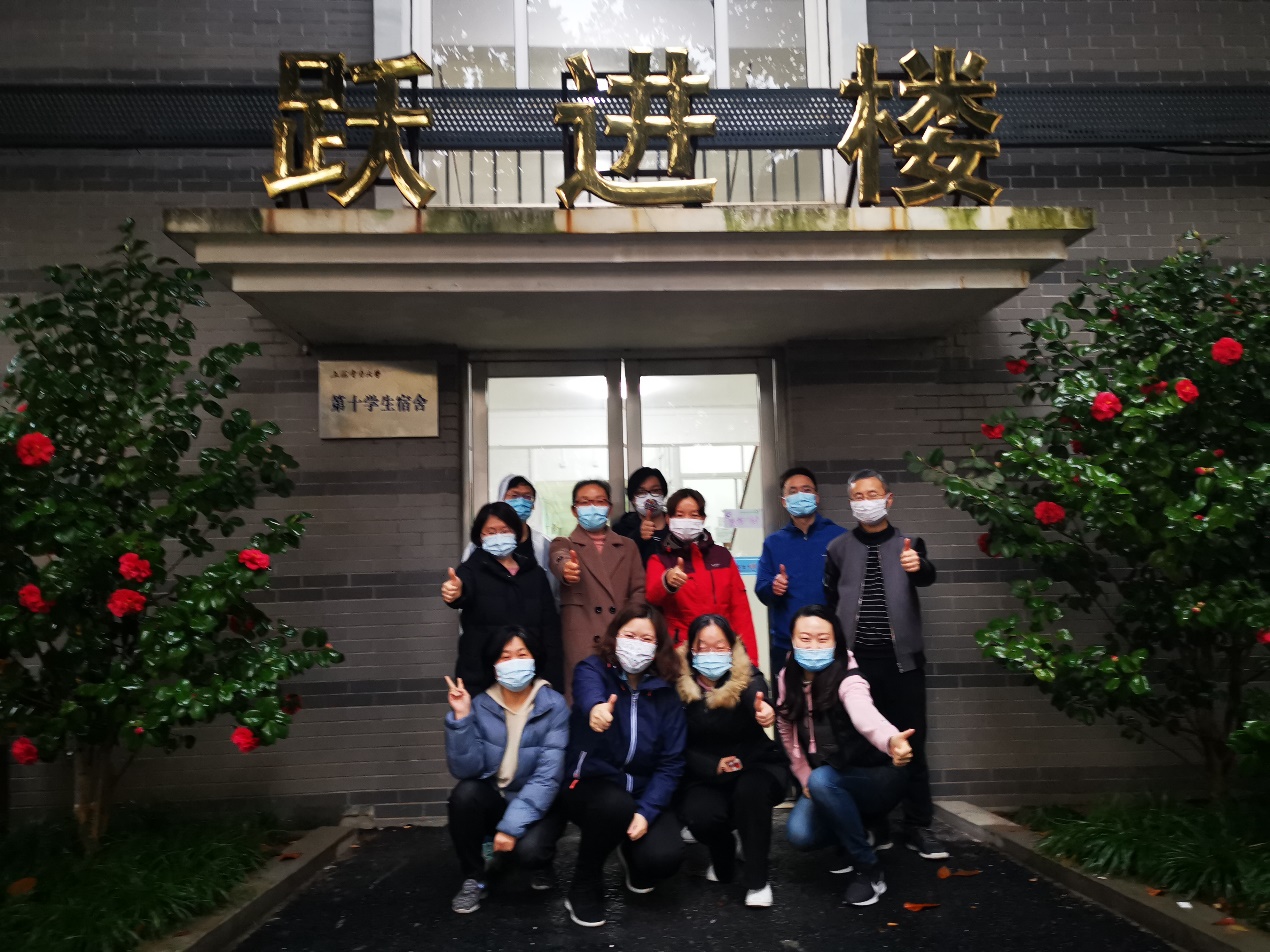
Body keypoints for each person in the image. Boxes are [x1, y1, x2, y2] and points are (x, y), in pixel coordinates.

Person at [823, 469, 947, 861]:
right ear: (851, 503)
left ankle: (918, 825)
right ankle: (874, 823)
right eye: (858, 496)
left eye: (873, 494)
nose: (866, 502)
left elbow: (927, 577)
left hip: (903, 665)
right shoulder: (838, 548)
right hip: (855, 667)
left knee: (912, 743)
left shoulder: (909, 544)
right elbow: (830, 601)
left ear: (888, 499)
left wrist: (918, 565)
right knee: (862, 746)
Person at [551, 604, 686, 927]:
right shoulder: (593, 669)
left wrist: (647, 811)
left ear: (658, 646)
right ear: (615, 636)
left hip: (641, 792)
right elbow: (588, 693)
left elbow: (671, 762)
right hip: (593, 785)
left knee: (664, 858)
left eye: (646, 639)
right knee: (614, 807)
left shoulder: (667, 693)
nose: (637, 645)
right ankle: (584, 882)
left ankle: (631, 853)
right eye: (630, 635)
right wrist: (597, 709)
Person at [776, 605, 916, 906]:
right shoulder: (788, 677)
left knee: (823, 781)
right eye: (805, 638)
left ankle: (869, 869)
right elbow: (785, 727)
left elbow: (864, 714)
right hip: (830, 778)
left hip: (877, 774)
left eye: (823, 639)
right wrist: (802, 774)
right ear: (793, 640)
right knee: (800, 834)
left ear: (836, 641)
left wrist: (891, 740)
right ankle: (862, 830)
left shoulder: (849, 678)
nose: (813, 647)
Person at [444, 627, 570, 914]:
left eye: (522, 654)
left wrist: (509, 829)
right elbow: (466, 770)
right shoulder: (481, 704)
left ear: (535, 659)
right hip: (498, 798)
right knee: (464, 794)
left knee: (530, 852)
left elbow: (547, 778)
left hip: (541, 802)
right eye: (505, 656)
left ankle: (540, 862)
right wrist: (462, 717)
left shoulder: (554, 705)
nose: (514, 662)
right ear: (494, 664)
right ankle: (473, 878)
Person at [676, 614, 789, 908]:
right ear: (692, 650)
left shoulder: (745, 675)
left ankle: (758, 880)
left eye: (720, 646)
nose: (711, 654)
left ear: (731, 648)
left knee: (751, 793)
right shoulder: (678, 686)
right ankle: (725, 847)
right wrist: (711, 766)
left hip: (754, 765)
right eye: (703, 647)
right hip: (705, 772)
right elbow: (674, 744)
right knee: (700, 816)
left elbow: (757, 691)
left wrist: (763, 709)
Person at [444, 502, 563, 695]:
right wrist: (455, 593)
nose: (498, 536)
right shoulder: (470, 570)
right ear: (480, 536)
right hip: (481, 677)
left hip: (529, 675)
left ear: (516, 533)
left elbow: (549, 628)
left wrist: (554, 678)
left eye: (505, 530)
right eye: (490, 532)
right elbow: (461, 591)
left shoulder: (534, 573)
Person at [548, 479, 646, 699]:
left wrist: (632, 632)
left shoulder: (628, 546)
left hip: (621, 640)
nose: (592, 507)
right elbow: (559, 559)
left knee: (620, 701)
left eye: (599, 501)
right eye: (585, 502)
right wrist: (567, 569)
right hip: (581, 643)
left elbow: (639, 592)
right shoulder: (563, 543)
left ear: (609, 508)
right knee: (584, 700)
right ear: (574, 510)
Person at [646, 488, 758, 662]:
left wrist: (750, 662)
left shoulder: (722, 556)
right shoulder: (660, 559)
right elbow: (651, 596)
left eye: (694, 515)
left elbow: (740, 610)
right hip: (680, 653)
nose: (687, 520)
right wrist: (667, 581)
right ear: (668, 519)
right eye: (680, 515)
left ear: (703, 519)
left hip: (722, 648)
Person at [755, 467, 846, 679]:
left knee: (833, 699)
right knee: (788, 699)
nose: (800, 495)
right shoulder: (773, 543)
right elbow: (761, 591)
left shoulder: (840, 538)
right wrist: (774, 587)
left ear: (816, 497)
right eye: (793, 491)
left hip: (830, 643)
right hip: (786, 645)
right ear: (784, 501)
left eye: (806, 490)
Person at [463, 475, 560, 605]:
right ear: (501, 498)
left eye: (527, 497)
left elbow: (551, 589)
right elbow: (464, 588)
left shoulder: (544, 544)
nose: (521, 501)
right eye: (514, 496)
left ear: (533, 505)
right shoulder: (480, 544)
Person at [611, 466, 671, 565]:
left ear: (663, 494)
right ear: (632, 499)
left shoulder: (676, 525)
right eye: (641, 492)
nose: (649, 497)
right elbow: (618, 563)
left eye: (655, 490)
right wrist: (638, 537)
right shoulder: (621, 530)